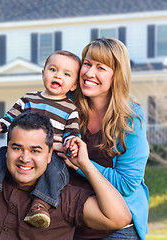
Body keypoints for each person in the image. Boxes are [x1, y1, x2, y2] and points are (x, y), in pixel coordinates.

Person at [0, 111, 132, 240]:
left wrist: (85, 164)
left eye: (35, 150)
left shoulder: (64, 198)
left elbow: (119, 217)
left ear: (49, 155)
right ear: (6, 150)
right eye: (17, 148)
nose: (25, 158)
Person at [0, 50, 81, 228]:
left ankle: (41, 206)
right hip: (22, 149)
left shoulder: (70, 109)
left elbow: (72, 134)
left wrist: (72, 144)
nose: (58, 76)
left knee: (56, 169)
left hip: (50, 153)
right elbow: (9, 120)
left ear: (73, 85)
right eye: (53, 69)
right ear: (43, 73)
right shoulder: (28, 99)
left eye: (66, 74)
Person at [63, 38, 150, 240]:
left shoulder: (130, 118)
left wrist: (82, 165)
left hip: (116, 228)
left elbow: (127, 184)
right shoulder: (64, 104)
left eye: (101, 67)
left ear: (116, 75)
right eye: (87, 64)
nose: (89, 73)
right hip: (69, 222)